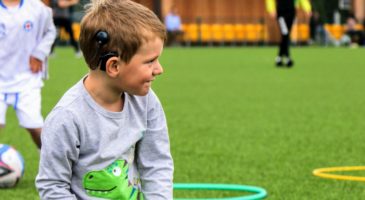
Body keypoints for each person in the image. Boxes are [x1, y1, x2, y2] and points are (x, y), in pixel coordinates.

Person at [36, 0, 174, 199]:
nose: (159, 69)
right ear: (114, 66)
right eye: (150, 61)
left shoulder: (146, 102)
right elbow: (53, 186)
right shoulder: (67, 118)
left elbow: (157, 165)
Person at [0, 0, 56, 149]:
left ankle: (51, 164)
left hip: (27, 79)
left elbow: (51, 31)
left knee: (35, 128)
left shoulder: (37, 8)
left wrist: (39, 53)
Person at [266, 0, 311, 67]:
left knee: (286, 35)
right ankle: (288, 58)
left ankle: (279, 58)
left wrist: (307, 9)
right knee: (285, 33)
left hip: (291, 12)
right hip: (281, 13)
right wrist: (271, 9)